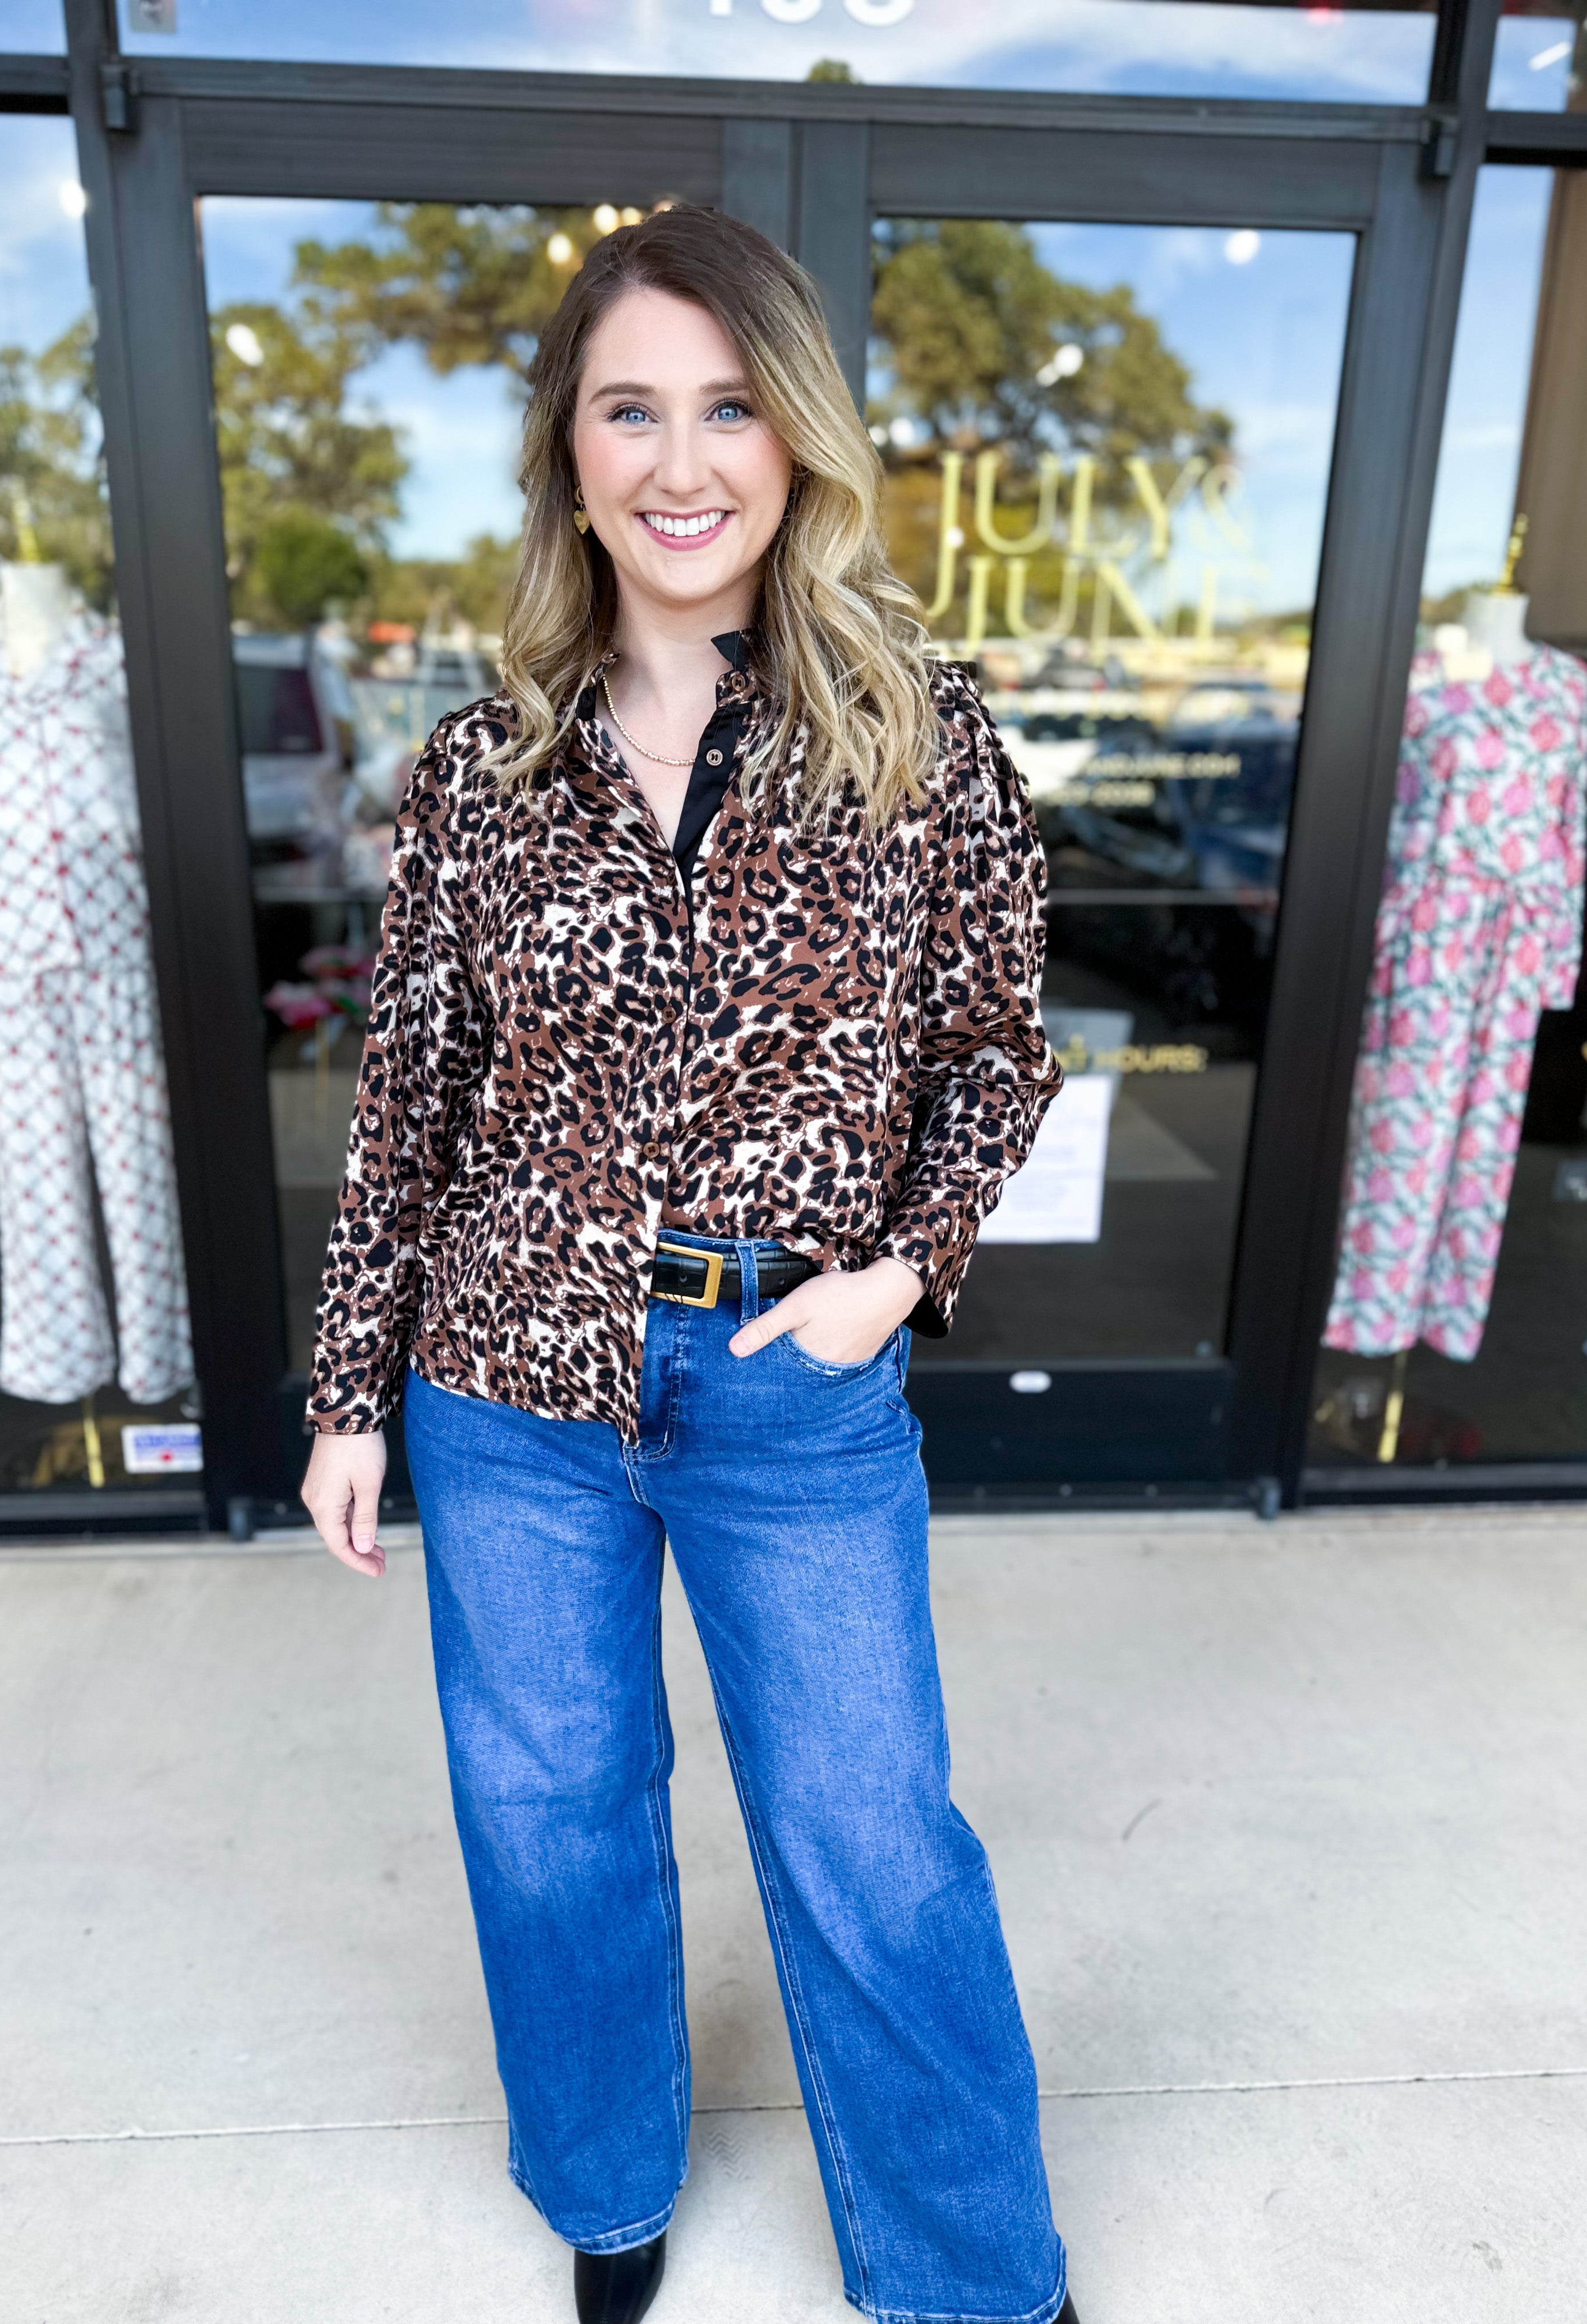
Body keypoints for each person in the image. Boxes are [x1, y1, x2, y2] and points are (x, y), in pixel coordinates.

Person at [300, 203, 1076, 2324]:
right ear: (569, 452)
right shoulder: (482, 770)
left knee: (873, 1844)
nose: (680, 460)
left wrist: (895, 1276)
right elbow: (412, 1107)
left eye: (729, 405)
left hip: (792, 1382)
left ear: (799, 438)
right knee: (552, 1823)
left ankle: (968, 2270)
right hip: (508, 1388)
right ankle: (609, 2189)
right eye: (628, 408)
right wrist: (354, 1394)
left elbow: (1002, 1051)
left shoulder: (924, 735)